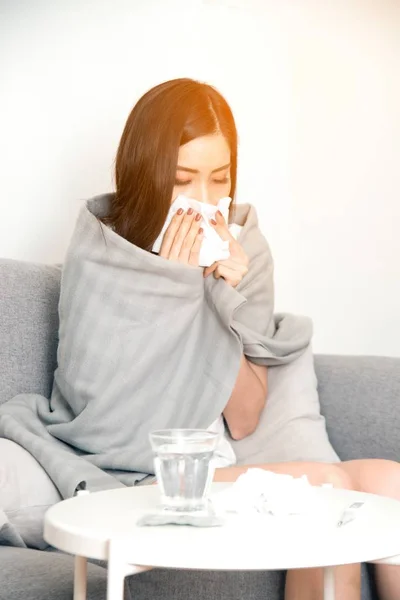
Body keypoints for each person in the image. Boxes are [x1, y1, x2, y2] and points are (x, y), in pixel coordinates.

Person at [1, 77, 399, 600]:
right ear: (145, 176)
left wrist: (217, 295)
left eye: (220, 179)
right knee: (332, 491)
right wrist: (169, 289)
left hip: (226, 470)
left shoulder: (244, 248)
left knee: (390, 482)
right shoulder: (102, 255)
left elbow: (246, 414)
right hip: (141, 479)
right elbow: (105, 426)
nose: (204, 201)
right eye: (183, 180)